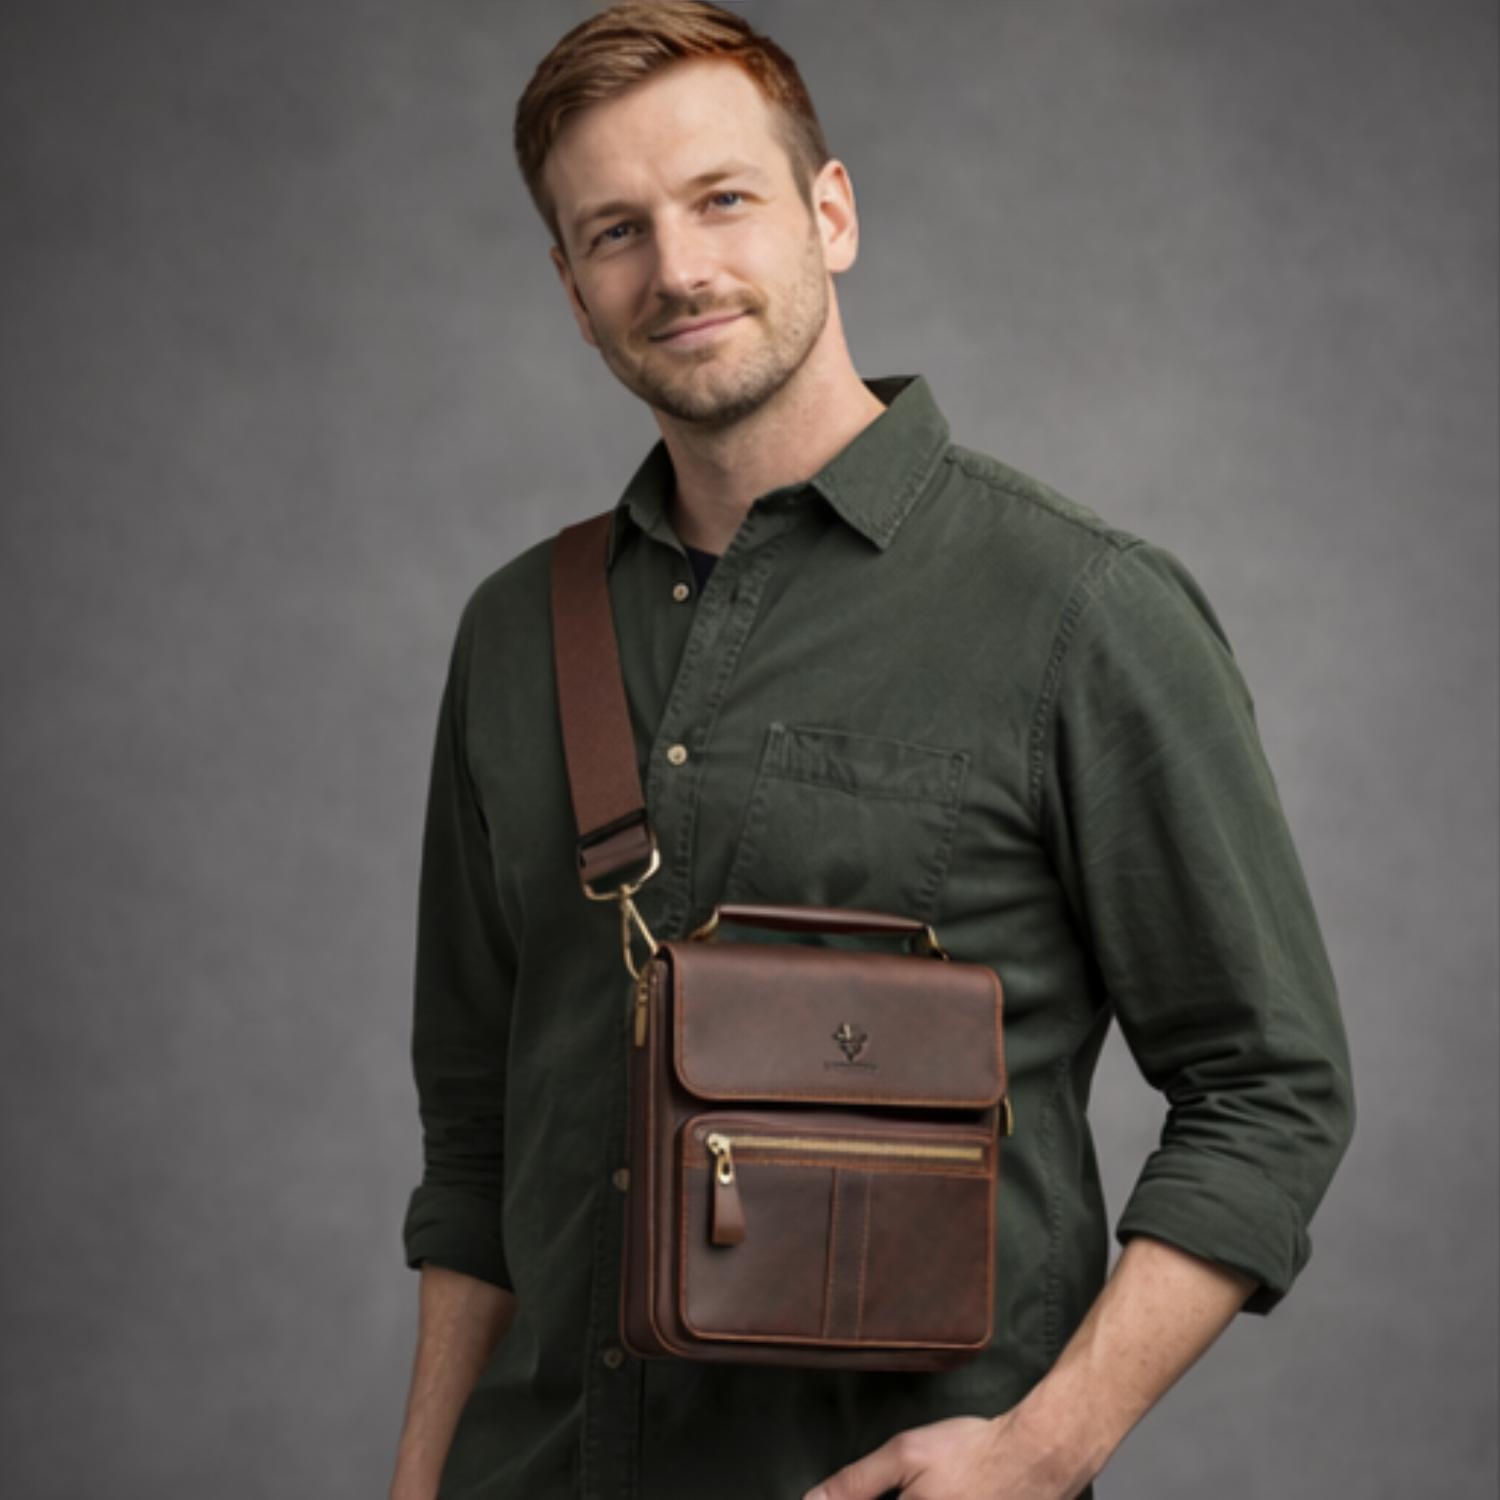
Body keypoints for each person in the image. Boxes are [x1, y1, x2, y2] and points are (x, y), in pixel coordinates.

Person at [389, 5, 1355, 1498]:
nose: (680, 268)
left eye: (724, 199)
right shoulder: (514, 633)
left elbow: (1271, 1087)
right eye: (615, 232)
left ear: (829, 213)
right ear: (574, 293)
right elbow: (473, 1144)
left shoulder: (1082, 610)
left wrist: (1044, 1451)